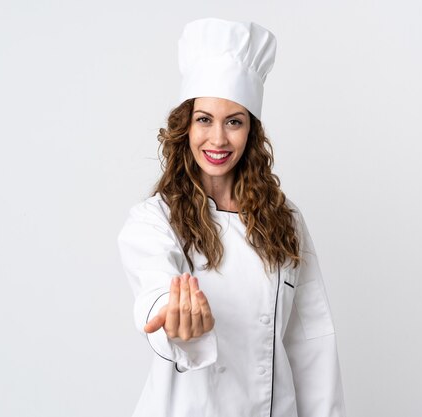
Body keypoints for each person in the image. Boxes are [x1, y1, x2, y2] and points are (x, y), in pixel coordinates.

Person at [118, 18, 346, 417]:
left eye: (234, 121)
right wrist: (175, 319)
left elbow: (312, 343)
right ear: (185, 127)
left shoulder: (285, 221)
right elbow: (155, 289)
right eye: (204, 119)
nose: (218, 139)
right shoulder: (154, 220)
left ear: (251, 131)